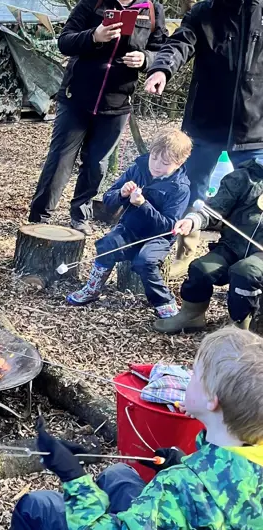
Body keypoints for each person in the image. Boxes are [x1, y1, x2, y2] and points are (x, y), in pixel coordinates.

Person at [11, 326, 263, 529]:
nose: (187, 377)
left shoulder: (179, 486)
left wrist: (73, 476)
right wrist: (182, 462)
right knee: (118, 474)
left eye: (195, 373)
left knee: (35, 506)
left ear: (212, 401)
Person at [28, 0, 167, 235]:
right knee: (61, 159)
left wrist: (146, 60)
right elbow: (65, 41)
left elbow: (162, 50)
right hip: (76, 98)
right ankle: (39, 217)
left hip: (117, 104)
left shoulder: (152, 10)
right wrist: (94, 35)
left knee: (96, 164)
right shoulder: (92, 4)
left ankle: (80, 215)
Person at [145, 0, 263, 275]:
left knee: (255, 197)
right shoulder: (204, 12)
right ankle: (185, 252)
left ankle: (250, 263)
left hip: (254, 125)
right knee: (190, 189)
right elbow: (179, 44)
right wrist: (161, 69)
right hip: (205, 122)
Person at [67, 128, 191, 318]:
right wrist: (121, 194)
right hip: (130, 229)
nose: (157, 165)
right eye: (154, 158)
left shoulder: (180, 188)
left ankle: (163, 301)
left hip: (159, 238)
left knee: (145, 261)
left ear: (179, 162)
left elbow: (168, 227)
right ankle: (92, 288)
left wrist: (143, 205)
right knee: (107, 245)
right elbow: (108, 199)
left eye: (165, 162)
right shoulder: (138, 169)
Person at [154, 158, 263, 333]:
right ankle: (192, 316)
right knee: (201, 268)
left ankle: (241, 327)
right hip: (233, 246)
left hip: (260, 255)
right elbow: (215, 209)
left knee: (246, 272)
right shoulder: (243, 177)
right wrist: (193, 220)